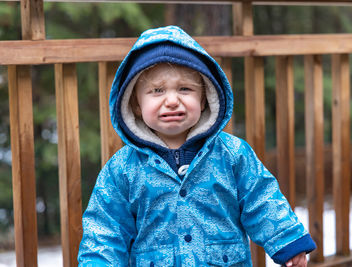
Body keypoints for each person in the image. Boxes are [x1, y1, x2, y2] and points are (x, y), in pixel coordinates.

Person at [78, 25, 316, 266]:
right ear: (136, 105)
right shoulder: (122, 168)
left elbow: (262, 199)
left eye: (185, 89)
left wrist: (288, 241)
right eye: (157, 91)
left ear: (204, 99)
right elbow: (106, 228)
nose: (172, 100)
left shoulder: (232, 154)